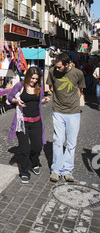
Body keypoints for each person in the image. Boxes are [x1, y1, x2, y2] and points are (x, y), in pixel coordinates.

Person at [46, 52, 85, 183]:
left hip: (73, 112)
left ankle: (67, 170)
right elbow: (51, 87)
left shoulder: (78, 73)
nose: (57, 69)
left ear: (67, 65)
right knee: (58, 140)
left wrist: (72, 102)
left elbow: (80, 89)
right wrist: (59, 101)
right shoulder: (52, 72)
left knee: (71, 142)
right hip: (58, 111)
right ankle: (56, 170)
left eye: (59, 67)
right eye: (56, 66)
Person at [7, 66, 50, 184]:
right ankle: (24, 171)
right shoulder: (20, 86)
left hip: (36, 122)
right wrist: (17, 101)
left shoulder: (39, 88)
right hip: (22, 123)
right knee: (24, 149)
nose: (34, 81)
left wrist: (44, 100)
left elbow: (37, 101)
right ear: (27, 77)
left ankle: (34, 162)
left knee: (37, 146)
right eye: (32, 78)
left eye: (36, 79)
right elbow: (9, 97)